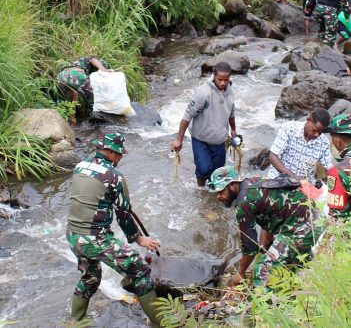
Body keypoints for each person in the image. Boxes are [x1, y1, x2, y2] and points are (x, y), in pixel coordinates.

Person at [67, 132, 162, 326]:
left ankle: (75, 322)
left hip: (73, 236)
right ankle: (164, 323)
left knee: (90, 277)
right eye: (119, 154)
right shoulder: (114, 177)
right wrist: (139, 239)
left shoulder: (80, 167)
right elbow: (123, 215)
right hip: (95, 240)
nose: (120, 158)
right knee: (141, 272)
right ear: (109, 152)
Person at [207, 166, 318, 289]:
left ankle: (264, 303)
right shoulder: (253, 181)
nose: (218, 197)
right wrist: (263, 250)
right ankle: (309, 280)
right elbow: (269, 215)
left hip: (303, 227)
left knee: (262, 270)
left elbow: (250, 247)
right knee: (297, 261)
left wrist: (241, 272)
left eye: (221, 191)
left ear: (233, 185)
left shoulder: (244, 203)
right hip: (313, 219)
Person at [170, 62, 237, 187]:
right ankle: (200, 190)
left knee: (217, 173)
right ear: (214, 76)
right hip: (201, 139)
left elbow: (231, 113)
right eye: (220, 79)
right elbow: (187, 116)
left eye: (226, 80)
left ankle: (212, 196)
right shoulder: (203, 93)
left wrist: (233, 131)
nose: (223, 83)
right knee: (204, 169)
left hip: (220, 139)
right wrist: (179, 139)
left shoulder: (230, 92)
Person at [266, 108, 333, 186]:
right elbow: (272, 156)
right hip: (278, 181)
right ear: (308, 120)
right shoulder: (289, 129)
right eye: (315, 130)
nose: (317, 134)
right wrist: (293, 177)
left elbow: (328, 166)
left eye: (321, 132)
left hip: (304, 186)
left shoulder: (323, 142)